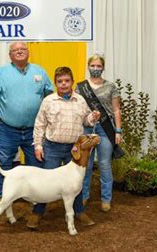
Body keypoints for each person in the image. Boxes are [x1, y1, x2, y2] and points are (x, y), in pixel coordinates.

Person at [27, 66, 100, 229]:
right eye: (60, 81)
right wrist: (38, 145)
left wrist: (92, 117)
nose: (64, 84)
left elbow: (86, 121)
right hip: (52, 147)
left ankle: (79, 211)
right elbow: (39, 125)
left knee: (77, 182)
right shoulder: (48, 101)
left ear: (72, 82)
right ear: (55, 83)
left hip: (75, 149)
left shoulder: (80, 100)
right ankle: (37, 213)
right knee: (45, 182)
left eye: (67, 80)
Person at [0, 42, 53, 200]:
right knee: (3, 163)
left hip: (34, 130)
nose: (19, 52)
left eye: (23, 49)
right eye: (15, 50)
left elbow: (50, 96)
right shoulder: (0, 73)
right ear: (10, 55)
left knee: (36, 164)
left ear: (28, 52)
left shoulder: (40, 71)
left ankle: (34, 196)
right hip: (6, 129)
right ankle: (2, 195)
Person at [75, 54, 123, 212]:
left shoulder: (111, 86)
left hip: (105, 128)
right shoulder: (80, 87)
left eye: (98, 66)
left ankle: (106, 199)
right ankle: (83, 196)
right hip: (86, 128)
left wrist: (118, 130)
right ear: (88, 66)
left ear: (103, 67)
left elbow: (116, 110)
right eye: (93, 66)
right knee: (86, 165)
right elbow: (77, 109)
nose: (95, 69)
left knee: (104, 164)